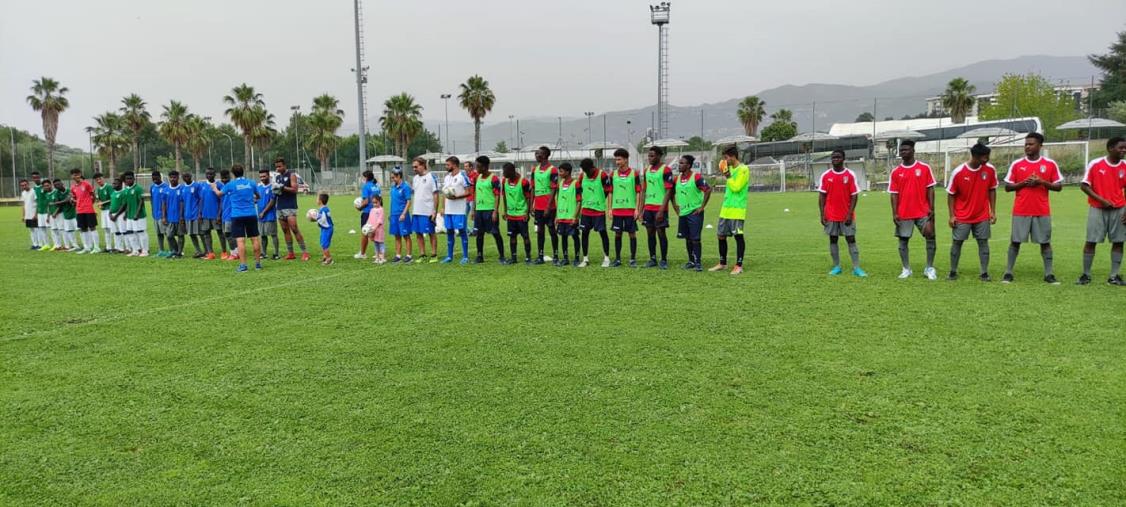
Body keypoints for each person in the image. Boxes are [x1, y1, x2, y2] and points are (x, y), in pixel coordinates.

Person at [1002, 132, 1062, 284]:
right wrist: (1024, 183)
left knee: (1045, 242)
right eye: (1026, 144)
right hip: (1021, 210)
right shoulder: (1017, 164)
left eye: (1031, 144)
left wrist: (1041, 182)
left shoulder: (1050, 164)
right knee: (1015, 241)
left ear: (1040, 146)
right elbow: (1008, 187)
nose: (1027, 147)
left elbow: (1058, 186)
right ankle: (1008, 273)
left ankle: (1049, 274)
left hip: (1041, 211)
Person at [1077, 136, 1126, 285]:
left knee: (1118, 242)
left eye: (1125, 148)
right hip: (1097, 209)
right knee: (1091, 241)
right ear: (1110, 148)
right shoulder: (1096, 164)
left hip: (1119, 209)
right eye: (1121, 148)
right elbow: (1084, 185)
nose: (1124, 150)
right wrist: (1101, 200)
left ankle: (1114, 276)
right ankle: (1086, 275)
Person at [945, 143, 998, 282]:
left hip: (982, 215)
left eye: (988, 157)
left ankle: (984, 272)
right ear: (975, 156)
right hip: (962, 215)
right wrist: (952, 216)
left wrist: (993, 211)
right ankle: (953, 271)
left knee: (983, 243)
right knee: (957, 242)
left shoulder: (990, 170)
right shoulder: (958, 172)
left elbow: (992, 189)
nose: (987, 160)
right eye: (984, 157)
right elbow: (951, 194)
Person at [888, 139, 938, 280]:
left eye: (906, 149)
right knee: (903, 241)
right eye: (901, 150)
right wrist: (895, 212)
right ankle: (906, 269)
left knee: (930, 236)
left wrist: (931, 208)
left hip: (923, 211)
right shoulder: (896, 172)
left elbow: (930, 189)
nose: (903, 152)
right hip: (904, 212)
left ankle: (929, 268)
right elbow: (893, 194)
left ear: (913, 151)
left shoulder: (924, 168)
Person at [818, 150, 866, 277]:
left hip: (846, 215)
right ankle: (836, 266)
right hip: (831, 215)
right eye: (833, 157)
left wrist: (850, 214)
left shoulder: (850, 174)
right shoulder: (826, 175)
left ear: (843, 158)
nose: (835, 159)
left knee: (851, 239)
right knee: (833, 239)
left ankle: (856, 268)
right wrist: (822, 214)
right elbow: (822, 195)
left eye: (838, 157)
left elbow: (854, 195)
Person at [211, 164, 263, 272]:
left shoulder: (231, 184)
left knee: (240, 241)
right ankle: (258, 264)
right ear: (243, 171)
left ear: (233, 174)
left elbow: (219, 194)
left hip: (237, 215)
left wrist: (214, 187)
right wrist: (252, 198)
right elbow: (258, 196)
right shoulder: (251, 183)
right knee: (255, 239)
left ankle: (243, 266)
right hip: (251, 214)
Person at [667, 154, 711, 271]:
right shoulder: (677, 179)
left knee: (695, 238)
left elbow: (708, 189)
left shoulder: (696, 177)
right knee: (687, 238)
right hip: (683, 213)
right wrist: (675, 206)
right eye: (679, 163)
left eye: (682, 163)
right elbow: (671, 193)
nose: (679, 165)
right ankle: (691, 261)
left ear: (689, 165)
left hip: (694, 213)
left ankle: (698, 263)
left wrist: (702, 207)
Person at [711, 146, 749, 275]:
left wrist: (727, 174)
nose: (725, 160)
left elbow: (736, 187)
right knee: (720, 236)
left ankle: (738, 265)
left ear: (733, 156)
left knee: (738, 236)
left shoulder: (744, 169)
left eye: (726, 157)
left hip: (737, 210)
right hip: (725, 209)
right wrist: (724, 171)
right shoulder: (730, 168)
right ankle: (722, 263)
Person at [608, 148, 643, 267]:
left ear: (626, 160)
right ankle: (617, 259)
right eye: (616, 159)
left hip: (630, 210)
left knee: (632, 234)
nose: (617, 162)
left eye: (619, 159)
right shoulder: (613, 174)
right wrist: (610, 209)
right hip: (617, 210)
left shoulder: (635, 174)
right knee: (617, 234)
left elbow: (638, 192)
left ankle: (632, 259)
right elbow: (610, 192)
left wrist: (637, 209)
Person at [641, 146, 675, 269]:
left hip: (660, 208)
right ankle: (652, 258)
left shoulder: (666, 170)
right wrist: (641, 210)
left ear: (659, 156)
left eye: (652, 155)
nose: (649, 158)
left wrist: (662, 209)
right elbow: (644, 190)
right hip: (648, 208)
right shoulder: (646, 170)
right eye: (649, 155)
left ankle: (664, 259)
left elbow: (668, 191)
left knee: (661, 232)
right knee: (650, 232)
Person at [576, 157, 612, 268]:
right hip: (586, 210)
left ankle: (606, 258)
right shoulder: (582, 176)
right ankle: (585, 259)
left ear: (593, 167)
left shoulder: (602, 175)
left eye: (587, 170)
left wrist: (599, 200)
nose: (586, 172)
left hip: (598, 210)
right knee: (585, 233)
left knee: (602, 233)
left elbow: (608, 190)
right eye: (584, 170)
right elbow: (578, 188)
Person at [273, 157, 310, 261]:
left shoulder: (291, 175)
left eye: (279, 166)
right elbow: (277, 192)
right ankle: (291, 253)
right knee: (285, 230)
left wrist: (282, 187)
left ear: (285, 165)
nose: (278, 168)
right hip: (280, 206)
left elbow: (295, 189)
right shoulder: (277, 177)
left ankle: (305, 252)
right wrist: (275, 190)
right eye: (276, 167)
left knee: (294, 229)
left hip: (290, 206)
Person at [472, 156, 506, 263]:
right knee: (479, 234)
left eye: (477, 166)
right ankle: (479, 256)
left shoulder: (494, 178)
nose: (476, 168)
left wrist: (495, 211)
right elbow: (475, 194)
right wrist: (474, 209)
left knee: (495, 233)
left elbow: (497, 195)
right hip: (479, 211)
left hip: (490, 210)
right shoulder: (477, 177)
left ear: (484, 166)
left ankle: (502, 256)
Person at [530, 146, 560, 264]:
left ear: (546, 155)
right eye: (536, 153)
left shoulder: (552, 170)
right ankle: (540, 256)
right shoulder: (534, 170)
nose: (537, 155)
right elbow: (532, 188)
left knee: (552, 230)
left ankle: (556, 256)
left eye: (539, 154)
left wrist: (548, 206)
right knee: (540, 231)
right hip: (538, 207)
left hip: (549, 207)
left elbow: (553, 189)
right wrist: (532, 204)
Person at [440, 156, 471, 264]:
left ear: (454, 165)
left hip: (459, 210)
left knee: (462, 231)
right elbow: (444, 194)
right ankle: (449, 256)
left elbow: (469, 192)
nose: (446, 166)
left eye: (448, 165)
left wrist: (456, 197)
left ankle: (465, 256)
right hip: (448, 210)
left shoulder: (462, 176)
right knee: (449, 232)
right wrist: (443, 207)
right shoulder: (447, 177)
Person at [502, 162, 533, 264]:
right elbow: (505, 197)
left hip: (521, 215)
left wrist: (527, 213)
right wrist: (505, 211)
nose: (503, 174)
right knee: (512, 236)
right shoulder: (504, 181)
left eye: (505, 172)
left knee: (525, 236)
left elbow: (528, 198)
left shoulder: (523, 182)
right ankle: (513, 258)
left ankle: (528, 257)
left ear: (512, 171)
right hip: (511, 215)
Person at [411, 157, 440, 263]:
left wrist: (434, 211)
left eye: (416, 166)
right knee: (418, 233)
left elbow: (436, 195)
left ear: (423, 165)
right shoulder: (415, 178)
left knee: (431, 232)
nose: (414, 169)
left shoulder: (431, 177)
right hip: (416, 211)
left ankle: (434, 254)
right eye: (413, 167)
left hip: (427, 211)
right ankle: (422, 254)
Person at [554, 162, 580, 267]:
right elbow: (558, 199)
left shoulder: (576, 183)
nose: (559, 173)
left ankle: (577, 258)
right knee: (563, 238)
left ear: (568, 172)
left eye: (561, 171)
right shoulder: (560, 184)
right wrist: (557, 216)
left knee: (575, 237)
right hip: (561, 217)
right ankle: (565, 258)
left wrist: (575, 216)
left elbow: (579, 201)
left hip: (571, 217)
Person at [69, 168, 99, 254]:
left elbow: (93, 196)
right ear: (72, 176)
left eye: (78, 174)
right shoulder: (73, 187)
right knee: (83, 229)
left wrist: (90, 204)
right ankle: (87, 247)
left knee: (92, 228)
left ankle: (96, 247)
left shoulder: (86, 184)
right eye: (74, 175)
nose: (76, 176)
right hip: (79, 210)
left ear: (80, 174)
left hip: (88, 210)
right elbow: (74, 197)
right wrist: (73, 200)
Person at [121, 171, 150, 257]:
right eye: (127, 179)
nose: (129, 180)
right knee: (130, 232)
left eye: (130, 178)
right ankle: (135, 250)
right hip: (130, 215)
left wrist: (137, 213)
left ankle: (145, 251)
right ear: (125, 180)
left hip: (139, 215)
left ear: (134, 179)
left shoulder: (138, 188)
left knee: (141, 232)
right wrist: (126, 213)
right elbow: (126, 203)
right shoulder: (126, 190)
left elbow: (141, 202)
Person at [388, 167, 414, 263]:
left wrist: (404, 213)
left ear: (399, 176)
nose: (392, 179)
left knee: (406, 235)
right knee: (397, 235)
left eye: (393, 177)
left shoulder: (405, 187)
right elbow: (392, 201)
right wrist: (390, 214)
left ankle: (408, 255)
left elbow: (408, 201)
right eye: (391, 178)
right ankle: (398, 255)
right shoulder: (393, 188)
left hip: (402, 215)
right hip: (394, 215)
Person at [354, 169, 381, 259]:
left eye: (363, 177)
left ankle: (362, 253)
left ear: (366, 177)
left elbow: (365, 201)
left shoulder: (366, 186)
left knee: (365, 232)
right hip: (376, 212)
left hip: (367, 212)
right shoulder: (376, 186)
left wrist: (359, 208)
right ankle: (379, 252)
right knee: (375, 232)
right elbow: (380, 200)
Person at [161, 170, 187, 259]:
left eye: (174, 177)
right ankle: (175, 251)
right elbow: (163, 204)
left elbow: (182, 204)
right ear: (169, 178)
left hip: (179, 217)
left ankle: (179, 252)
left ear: (178, 178)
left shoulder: (182, 189)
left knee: (180, 235)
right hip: (169, 218)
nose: (172, 179)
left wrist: (181, 216)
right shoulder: (166, 190)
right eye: (171, 177)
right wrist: (164, 216)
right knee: (169, 235)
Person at [199, 168, 222, 260]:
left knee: (220, 233)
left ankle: (224, 252)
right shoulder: (203, 185)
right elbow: (201, 200)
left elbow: (221, 201)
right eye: (207, 174)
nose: (209, 176)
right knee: (206, 234)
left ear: (215, 174)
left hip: (215, 214)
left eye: (211, 174)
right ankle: (210, 253)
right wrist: (200, 213)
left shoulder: (219, 185)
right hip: (205, 214)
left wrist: (219, 214)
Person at [257, 169, 280, 260]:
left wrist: (263, 212)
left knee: (273, 234)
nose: (262, 178)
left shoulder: (273, 187)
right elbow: (257, 198)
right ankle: (263, 253)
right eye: (261, 176)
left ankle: (276, 253)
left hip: (270, 215)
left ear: (268, 176)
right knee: (262, 235)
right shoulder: (258, 187)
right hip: (260, 215)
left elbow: (272, 201)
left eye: (264, 176)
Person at [181, 172, 205, 258]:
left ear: (191, 176)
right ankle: (198, 251)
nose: (186, 178)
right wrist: (182, 216)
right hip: (187, 215)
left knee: (201, 233)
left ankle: (206, 251)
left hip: (195, 214)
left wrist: (200, 213)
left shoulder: (197, 186)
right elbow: (182, 202)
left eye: (188, 176)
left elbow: (201, 199)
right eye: (184, 176)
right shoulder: (182, 187)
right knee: (191, 234)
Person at [149, 170, 169, 257]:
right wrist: (153, 210)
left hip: (163, 215)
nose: (155, 180)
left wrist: (165, 215)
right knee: (158, 233)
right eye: (153, 178)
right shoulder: (152, 187)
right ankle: (161, 250)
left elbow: (167, 202)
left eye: (156, 178)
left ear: (160, 177)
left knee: (166, 233)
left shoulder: (166, 187)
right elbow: (151, 199)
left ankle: (172, 250)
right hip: (155, 215)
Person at [32, 172, 52, 251]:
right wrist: (36, 213)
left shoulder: (44, 186)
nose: (36, 179)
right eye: (34, 177)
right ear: (32, 179)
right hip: (40, 212)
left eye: (37, 177)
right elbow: (37, 201)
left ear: (40, 177)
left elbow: (50, 196)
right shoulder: (34, 189)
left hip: (47, 211)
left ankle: (57, 244)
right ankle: (46, 244)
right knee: (42, 228)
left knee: (51, 228)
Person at [95, 172, 114, 253]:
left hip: (110, 210)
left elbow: (113, 198)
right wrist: (99, 205)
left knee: (112, 228)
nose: (99, 181)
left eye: (100, 179)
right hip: (103, 211)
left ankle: (117, 247)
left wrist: (102, 203)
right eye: (97, 180)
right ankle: (108, 247)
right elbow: (98, 200)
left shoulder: (109, 187)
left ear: (103, 178)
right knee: (106, 229)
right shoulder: (98, 189)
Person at [219, 169, 235, 260]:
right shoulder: (222, 188)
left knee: (229, 234)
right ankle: (235, 252)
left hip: (231, 214)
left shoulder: (232, 186)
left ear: (230, 177)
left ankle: (234, 253)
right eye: (223, 178)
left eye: (226, 178)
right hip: (224, 215)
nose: (224, 180)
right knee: (227, 234)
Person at [365, 195, 387, 264]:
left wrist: (375, 228)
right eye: (373, 203)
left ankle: (382, 258)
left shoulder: (381, 209)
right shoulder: (372, 210)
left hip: (379, 230)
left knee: (381, 243)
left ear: (379, 201)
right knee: (375, 244)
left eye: (376, 202)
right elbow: (369, 219)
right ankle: (377, 258)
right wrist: (367, 227)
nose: (374, 204)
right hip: (372, 230)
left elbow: (380, 221)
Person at [314, 193, 334, 265]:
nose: (316, 200)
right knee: (323, 242)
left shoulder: (323, 210)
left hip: (327, 229)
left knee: (324, 244)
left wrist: (315, 219)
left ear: (320, 201)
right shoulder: (325, 208)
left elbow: (323, 220)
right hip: (327, 228)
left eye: (317, 199)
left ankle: (329, 259)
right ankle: (325, 256)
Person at [108, 177, 127, 254]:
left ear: (120, 184)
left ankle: (127, 247)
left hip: (120, 214)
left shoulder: (123, 192)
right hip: (112, 215)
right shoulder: (113, 193)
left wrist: (116, 215)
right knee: (116, 232)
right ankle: (118, 247)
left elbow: (123, 205)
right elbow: (111, 204)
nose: (113, 184)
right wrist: (109, 213)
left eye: (115, 183)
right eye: (113, 183)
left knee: (123, 231)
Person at [20, 180, 39, 250]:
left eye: (25, 185)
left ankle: (39, 244)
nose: (24, 186)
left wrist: (36, 214)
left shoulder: (34, 191)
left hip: (34, 214)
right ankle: (34, 244)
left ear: (28, 184)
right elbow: (24, 205)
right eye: (22, 185)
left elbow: (38, 203)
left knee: (37, 229)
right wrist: (23, 216)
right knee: (31, 230)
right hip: (27, 215)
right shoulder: (23, 193)